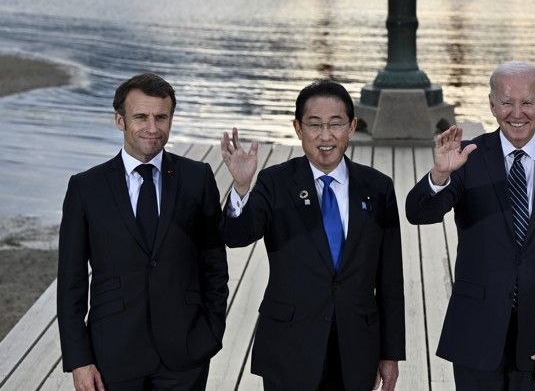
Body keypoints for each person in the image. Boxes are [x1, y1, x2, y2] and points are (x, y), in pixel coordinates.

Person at [405, 61, 535, 390]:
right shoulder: (466, 158)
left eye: (527, 102)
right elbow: (419, 213)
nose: (517, 113)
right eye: (507, 102)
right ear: (492, 104)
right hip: (474, 332)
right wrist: (439, 176)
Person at [221, 79, 404, 391]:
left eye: (336, 124)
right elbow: (238, 235)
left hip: (356, 345)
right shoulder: (275, 182)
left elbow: (390, 278)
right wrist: (241, 188)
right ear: (297, 128)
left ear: (352, 127)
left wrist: (391, 353)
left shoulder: (378, 187)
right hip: (289, 343)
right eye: (314, 124)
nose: (325, 136)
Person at [57, 72, 228, 391]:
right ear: (120, 121)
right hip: (113, 352)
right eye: (141, 117)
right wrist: (79, 359)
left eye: (161, 117)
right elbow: (71, 283)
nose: (152, 127)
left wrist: (210, 333)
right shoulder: (86, 188)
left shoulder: (197, 178)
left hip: (186, 351)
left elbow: (214, 265)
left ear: (171, 119)